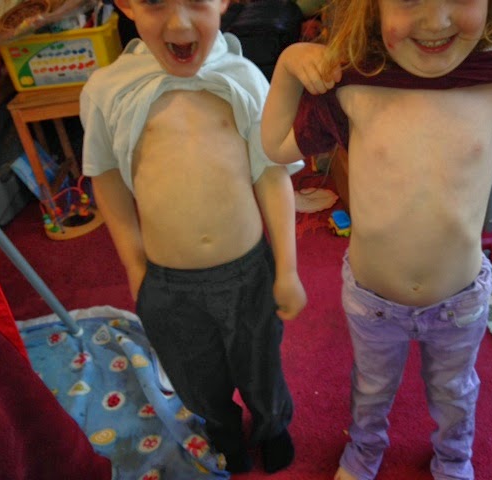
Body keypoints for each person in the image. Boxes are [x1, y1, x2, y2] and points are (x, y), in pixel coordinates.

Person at [261, 0, 492, 478]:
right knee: (371, 387)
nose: (436, 20)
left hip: (458, 302)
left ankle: (453, 457)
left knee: (455, 391)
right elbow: (276, 145)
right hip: (373, 301)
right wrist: (287, 65)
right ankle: (363, 451)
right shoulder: (352, 86)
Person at [80, 0, 307, 474]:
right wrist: (135, 265)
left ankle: (272, 425)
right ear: (126, 4)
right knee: (195, 377)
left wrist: (287, 268)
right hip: (169, 284)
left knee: (262, 364)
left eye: (196, 1)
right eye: (156, 2)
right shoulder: (107, 89)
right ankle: (224, 431)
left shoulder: (244, 77)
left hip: (248, 271)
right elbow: (106, 177)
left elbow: (271, 175)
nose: (180, 21)